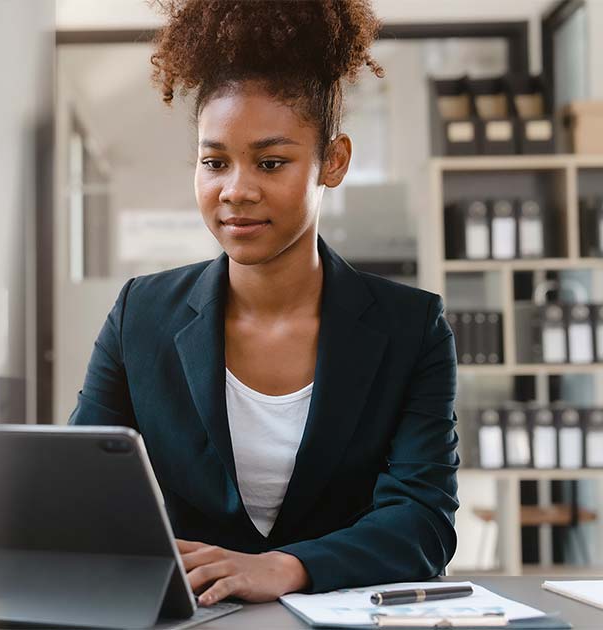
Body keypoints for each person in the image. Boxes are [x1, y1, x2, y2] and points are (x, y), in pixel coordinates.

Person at [70, 0, 458, 605]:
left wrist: (288, 566)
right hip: (189, 615)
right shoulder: (139, 314)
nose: (236, 190)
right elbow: (85, 493)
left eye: (271, 162)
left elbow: (424, 522)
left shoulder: (413, 328)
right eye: (214, 162)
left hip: (345, 615)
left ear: (333, 161)